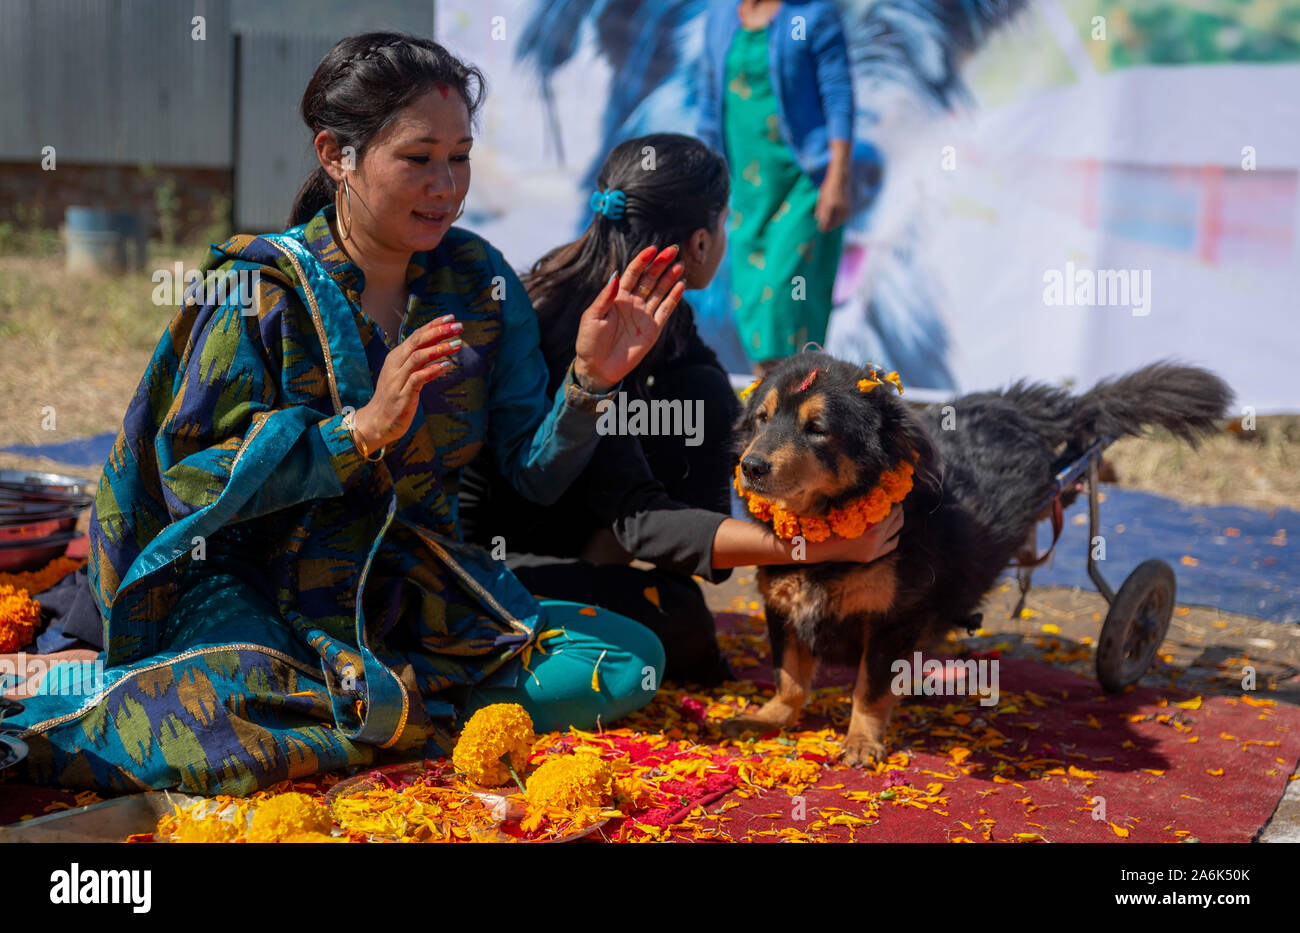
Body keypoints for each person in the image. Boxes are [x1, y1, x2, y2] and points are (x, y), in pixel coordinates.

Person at [6, 33, 687, 796]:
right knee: (221, 723)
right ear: (337, 155)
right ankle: (372, 709)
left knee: (628, 663)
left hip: (413, 591)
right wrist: (353, 435)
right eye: (419, 157)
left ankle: (373, 711)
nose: (446, 184)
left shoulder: (477, 282)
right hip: (257, 593)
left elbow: (532, 474)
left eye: (460, 157)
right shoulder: (260, 290)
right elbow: (190, 479)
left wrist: (590, 383)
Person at [459, 133, 902, 687]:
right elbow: (631, 513)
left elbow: (692, 426)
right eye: (724, 223)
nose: (726, 237)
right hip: (480, 568)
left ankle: (591, 589)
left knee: (704, 396)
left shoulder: (656, 321)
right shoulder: (587, 331)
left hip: (564, 533)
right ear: (699, 243)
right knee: (678, 619)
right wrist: (817, 544)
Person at [697, 0, 855, 376]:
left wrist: (837, 178)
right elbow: (708, 103)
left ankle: (789, 412)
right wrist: (702, 179)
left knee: (783, 304)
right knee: (754, 310)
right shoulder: (721, 16)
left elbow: (838, 96)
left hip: (804, 184)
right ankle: (777, 417)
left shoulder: (813, 15)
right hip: (747, 193)